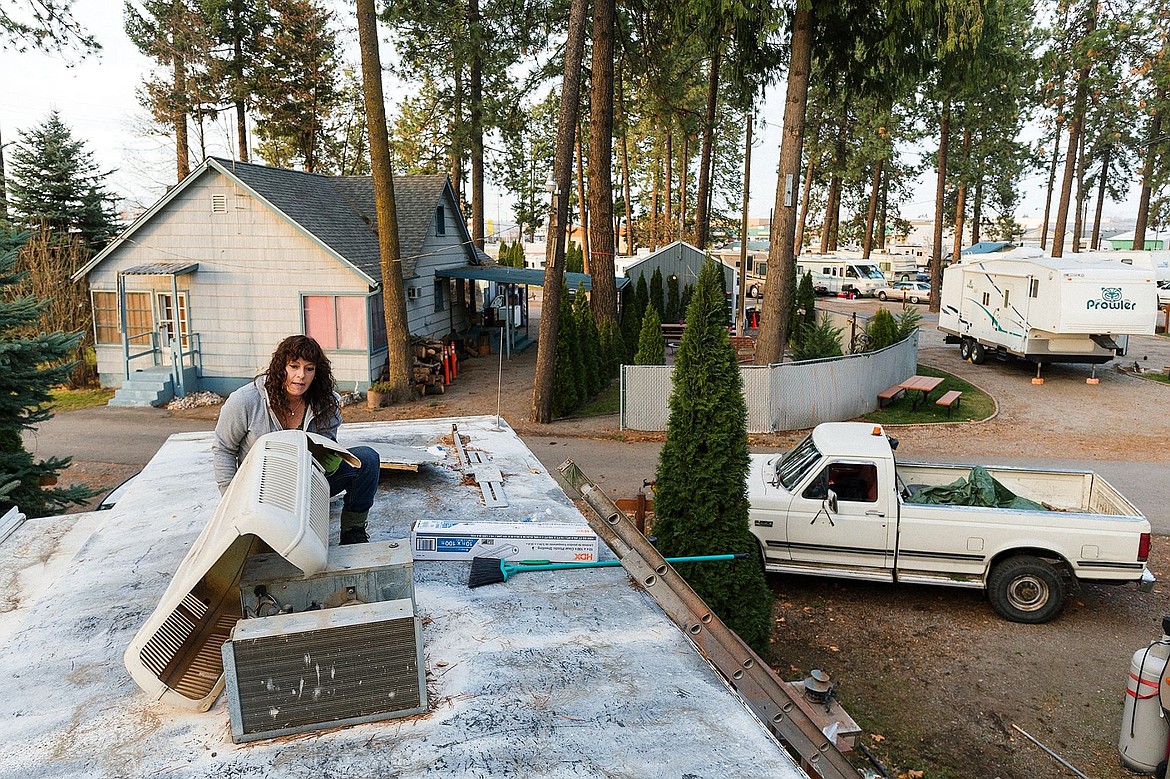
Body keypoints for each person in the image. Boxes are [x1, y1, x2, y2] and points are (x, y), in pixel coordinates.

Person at [212, 335, 380, 545]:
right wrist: (232, 501)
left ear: (317, 373)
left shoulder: (327, 402)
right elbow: (224, 449)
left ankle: (353, 531)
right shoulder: (246, 400)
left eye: (309, 369)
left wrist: (330, 456)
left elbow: (327, 446)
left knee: (368, 459)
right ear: (280, 367)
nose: (301, 376)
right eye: (294, 366)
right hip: (262, 491)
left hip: (307, 482)